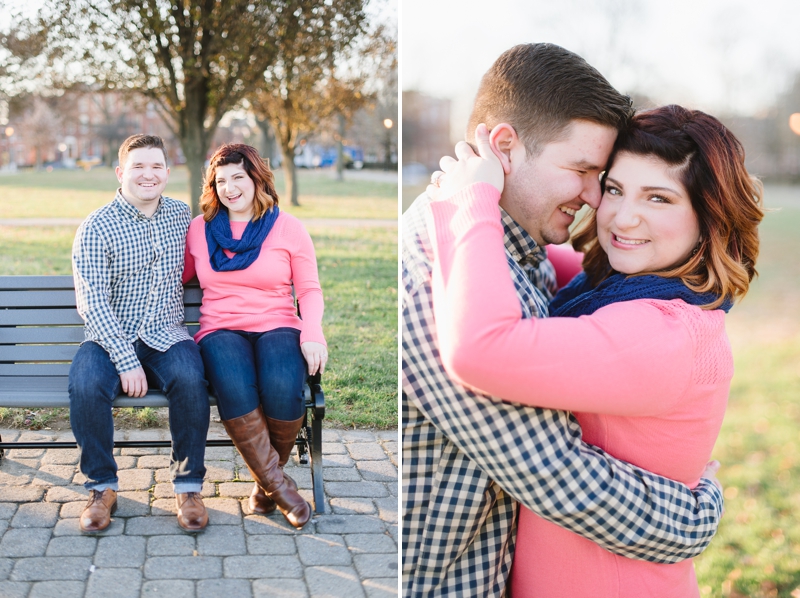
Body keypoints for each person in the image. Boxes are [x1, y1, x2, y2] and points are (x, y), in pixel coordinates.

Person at [402, 43, 725, 597]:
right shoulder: (447, 271)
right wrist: (695, 514)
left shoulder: (515, 254)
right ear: (504, 147)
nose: (600, 201)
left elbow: (584, 287)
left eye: (657, 197)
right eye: (587, 172)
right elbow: (556, 473)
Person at [70, 134, 210, 533]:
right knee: (85, 383)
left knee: (189, 378)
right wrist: (125, 359)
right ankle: (102, 488)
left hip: (166, 332)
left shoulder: (182, 216)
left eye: (155, 166)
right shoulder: (96, 227)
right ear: (120, 172)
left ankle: (188, 486)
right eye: (138, 166)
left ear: (167, 172)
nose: (147, 175)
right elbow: (92, 303)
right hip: (109, 334)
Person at [183, 143, 326, 529]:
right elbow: (172, 277)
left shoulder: (287, 227)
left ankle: (265, 486)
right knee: (235, 386)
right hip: (220, 328)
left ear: (256, 178)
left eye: (238, 178)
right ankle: (280, 489)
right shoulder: (199, 229)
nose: (230, 188)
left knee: (282, 385)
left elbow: (309, 289)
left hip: (277, 323)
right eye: (221, 180)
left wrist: (313, 331)